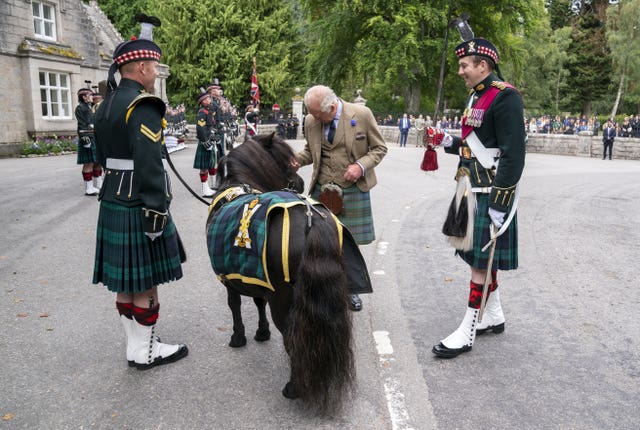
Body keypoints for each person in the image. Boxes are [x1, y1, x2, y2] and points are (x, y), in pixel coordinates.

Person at [93, 16, 188, 370]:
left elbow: (101, 156)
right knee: (145, 282)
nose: (155, 72)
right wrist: (155, 210)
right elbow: (149, 164)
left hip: (113, 199)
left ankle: (135, 346)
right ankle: (147, 352)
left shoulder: (107, 104)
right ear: (143, 67)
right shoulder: (143, 106)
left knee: (125, 281)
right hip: (138, 202)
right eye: (154, 66)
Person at [432, 37, 526, 358]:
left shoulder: (505, 97)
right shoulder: (476, 97)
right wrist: (446, 140)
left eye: (464, 65)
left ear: (482, 66)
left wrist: (500, 204)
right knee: (479, 259)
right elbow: (474, 145)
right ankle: (494, 315)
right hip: (469, 187)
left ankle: (467, 331)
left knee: (479, 264)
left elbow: (513, 156)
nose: (460, 71)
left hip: (490, 193)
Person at [294, 85, 387, 311]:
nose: (314, 118)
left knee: (348, 244)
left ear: (332, 106)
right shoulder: (311, 120)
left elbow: (379, 148)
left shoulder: (362, 115)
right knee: (320, 241)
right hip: (321, 189)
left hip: (352, 189)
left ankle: (350, 290)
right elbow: (310, 151)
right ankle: (323, 287)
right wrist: (295, 160)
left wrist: (360, 166)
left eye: (318, 114)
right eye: (312, 113)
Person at [75, 88, 103, 195]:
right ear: (84, 97)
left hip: (94, 137)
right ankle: (89, 188)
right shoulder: (80, 108)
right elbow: (81, 124)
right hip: (87, 137)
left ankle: (99, 185)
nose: (92, 97)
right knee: (88, 164)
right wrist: (84, 138)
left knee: (97, 162)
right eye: (90, 95)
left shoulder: (90, 107)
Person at [194, 91, 217, 197]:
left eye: (209, 98)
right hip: (204, 142)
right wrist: (204, 141)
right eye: (207, 99)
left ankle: (208, 187)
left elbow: (209, 127)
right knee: (204, 167)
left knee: (209, 164)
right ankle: (204, 190)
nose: (209, 100)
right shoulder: (202, 112)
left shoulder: (209, 111)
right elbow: (200, 128)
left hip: (209, 140)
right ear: (202, 102)